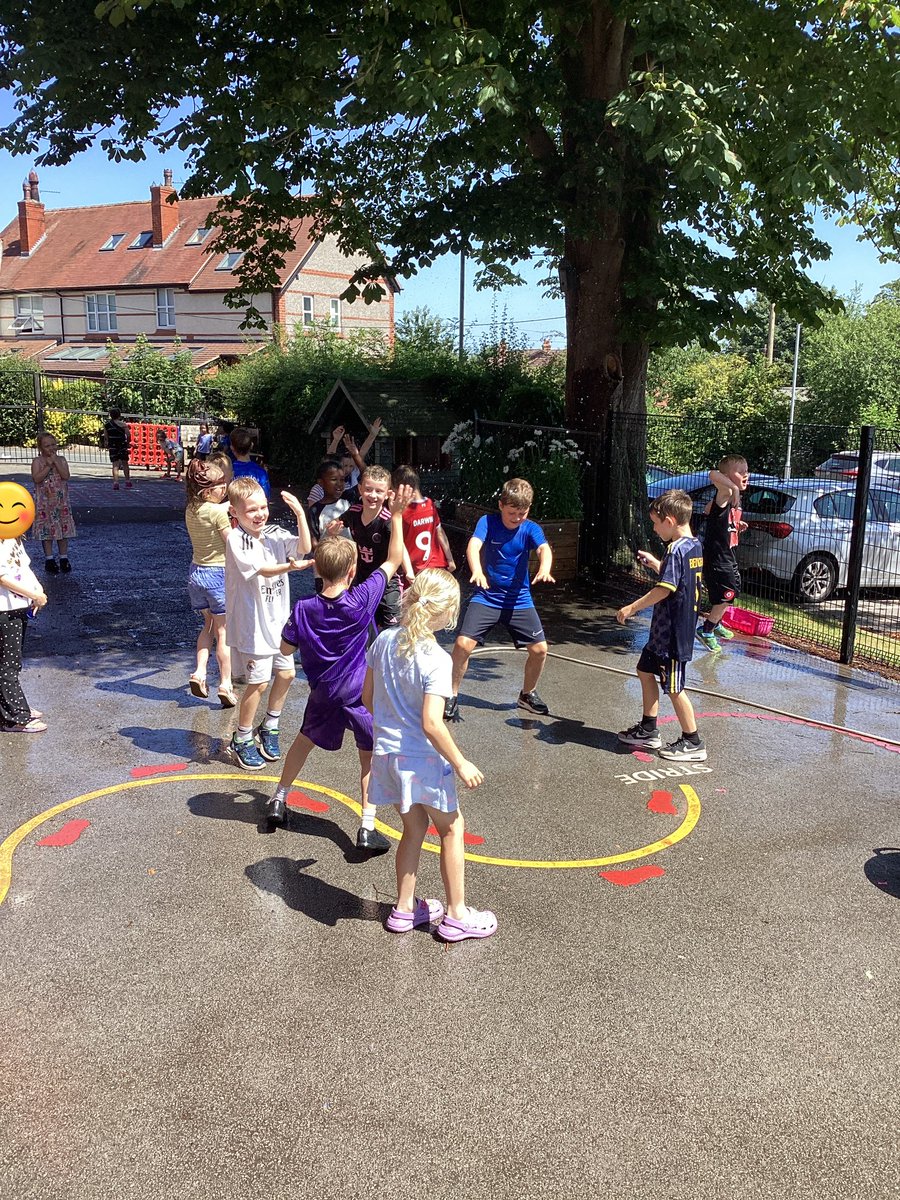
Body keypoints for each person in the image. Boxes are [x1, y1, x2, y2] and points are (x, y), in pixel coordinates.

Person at [266, 483, 413, 850]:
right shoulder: (361, 599)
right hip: (360, 694)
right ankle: (366, 827)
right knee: (368, 759)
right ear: (351, 573)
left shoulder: (303, 609)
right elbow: (393, 561)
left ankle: (279, 799)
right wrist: (395, 516)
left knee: (302, 742)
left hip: (323, 692)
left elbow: (285, 648)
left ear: (318, 568)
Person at [363, 569, 497, 941]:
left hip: (387, 757)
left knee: (413, 829)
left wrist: (392, 724)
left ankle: (405, 910)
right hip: (422, 760)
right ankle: (456, 915)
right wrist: (461, 761)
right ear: (449, 614)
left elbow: (367, 699)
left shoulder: (384, 641)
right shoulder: (437, 660)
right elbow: (432, 724)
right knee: (451, 829)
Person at [445, 477, 554, 722]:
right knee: (463, 644)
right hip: (487, 596)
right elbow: (474, 545)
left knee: (540, 650)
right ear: (501, 505)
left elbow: (544, 549)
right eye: (512, 512)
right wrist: (477, 570)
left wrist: (545, 568)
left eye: (522, 513)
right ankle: (450, 695)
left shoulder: (531, 528)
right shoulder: (488, 522)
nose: (517, 518)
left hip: (519, 599)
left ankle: (527, 694)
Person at [224, 477, 312, 770]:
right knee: (258, 682)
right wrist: (289, 566)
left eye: (263, 507)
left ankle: (269, 726)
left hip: (278, 623)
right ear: (235, 512)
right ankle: (242, 737)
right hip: (253, 625)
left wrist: (300, 514)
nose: (260, 514)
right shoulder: (237, 538)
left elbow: (304, 547)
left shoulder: (273, 532)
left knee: (287, 675)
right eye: (251, 510)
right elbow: (261, 570)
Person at [615, 488, 706, 762]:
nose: (654, 529)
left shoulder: (676, 550)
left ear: (670, 520)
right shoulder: (693, 546)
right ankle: (648, 728)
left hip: (673, 636)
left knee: (675, 688)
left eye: (656, 523)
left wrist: (632, 607)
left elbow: (665, 590)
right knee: (644, 669)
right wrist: (659, 564)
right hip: (662, 634)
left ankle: (693, 741)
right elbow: (680, 581)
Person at [185, 453, 237, 708]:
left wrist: (228, 506)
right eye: (221, 485)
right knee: (223, 632)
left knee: (207, 626)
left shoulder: (192, 508)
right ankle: (226, 684)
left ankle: (199, 672)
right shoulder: (218, 513)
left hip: (196, 574)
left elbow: (218, 508)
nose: (225, 488)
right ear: (207, 490)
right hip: (218, 575)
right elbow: (231, 543)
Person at [327, 464, 403, 630]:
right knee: (362, 628)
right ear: (360, 489)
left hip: (387, 584)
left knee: (393, 632)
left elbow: (400, 550)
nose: (373, 495)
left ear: (388, 494)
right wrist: (332, 528)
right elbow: (337, 522)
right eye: (368, 489)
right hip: (362, 581)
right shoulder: (354, 512)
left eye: (379, 491)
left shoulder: (387, 521)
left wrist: (410, 572)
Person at [696, 454, 750, 652]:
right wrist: (733, 487)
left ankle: (716, 623)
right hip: (717, 556)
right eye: (741, 472)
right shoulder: (726, 492)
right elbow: (712, 474)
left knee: (733, 590)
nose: (746, 475)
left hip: (728, 554)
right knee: (726, 594)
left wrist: (737, 525)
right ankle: (707, 629)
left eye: (747, 471)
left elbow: (721, 521)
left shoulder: (733, 499)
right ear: (727, 476)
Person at [0, 529, 48, 733]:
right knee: (7, 663)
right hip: (4, 608)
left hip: (16, 606)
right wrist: (33, 595)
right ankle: (15, 716)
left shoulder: (12, 536)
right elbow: (2, 577)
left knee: (11, 660)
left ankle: (11, 705)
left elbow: (23, 568)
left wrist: (38, 591)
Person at [391, 464, 456, 576]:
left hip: (414, 568)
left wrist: (407, 571)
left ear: (403, 489)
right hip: (436, 565)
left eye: (394, 489)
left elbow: (399, 542)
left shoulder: (401, 511)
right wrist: (450, 559)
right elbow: (440, 532)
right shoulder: (429, 504)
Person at [307, 419, 382, 506]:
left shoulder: (352, 482)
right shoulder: (318, 489)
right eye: (345, 465)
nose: (347, 469)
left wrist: (372, 435)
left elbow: (361, 455)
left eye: (351, 466)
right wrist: (335, 440)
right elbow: (328, 461)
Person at [30, 433, 76, 574]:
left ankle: (64, 557)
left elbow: (66, 476)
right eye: (47, 446)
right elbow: (36, 478)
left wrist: (55, 463)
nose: (51, 448)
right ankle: (49, 559)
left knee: (63, 528)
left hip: (60, 500)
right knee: (47, 530)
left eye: (53, 445)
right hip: (45, 502)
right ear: (41, 447)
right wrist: (48, 466)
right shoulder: (38, 461)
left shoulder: (61, 459)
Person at [307, 459, 356, 543]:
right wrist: (329, 534)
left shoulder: (349, 500)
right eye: (334, 479)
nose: (339, 484)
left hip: (352, 554)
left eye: (342, 480)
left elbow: (366, 477)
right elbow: (314, 544)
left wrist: (355, 455)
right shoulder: (314, 510)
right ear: (321, 482)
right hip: (328, 555)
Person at [229, 427, 270, 498]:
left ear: (232, 447)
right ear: (251, 445)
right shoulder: (260, 472)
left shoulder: (229, 470)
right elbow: (266, 496)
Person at [102, 409, 132, 490]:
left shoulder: (107, 425)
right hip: (122, 445)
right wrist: (128, 442)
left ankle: (116, 482)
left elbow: (106, 437)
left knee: (115, 464)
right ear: (119, 415)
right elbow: (128, 435)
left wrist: (107, 443)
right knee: (125, 463)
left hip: (113, 445)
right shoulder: (123, 425)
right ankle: (127, 481)